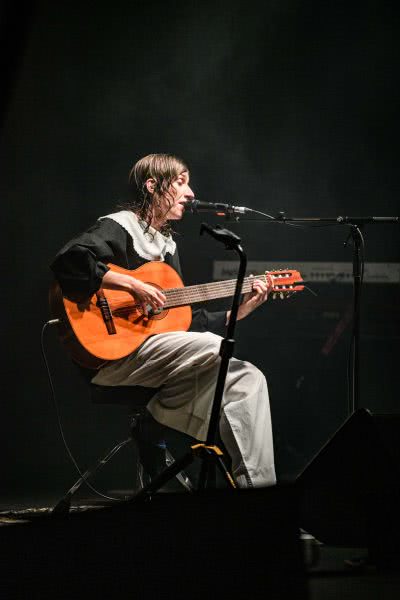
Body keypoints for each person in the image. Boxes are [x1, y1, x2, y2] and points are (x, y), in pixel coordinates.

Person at [50, 153, 276, 488]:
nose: (190, 192)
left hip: (155, 356)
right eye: (181, 181)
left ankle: (258, 495)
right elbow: (69, 261)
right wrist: (133, 284)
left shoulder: (167, 247)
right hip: (112, 356)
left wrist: (238, 312)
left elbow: (182, 322)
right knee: (216, 348)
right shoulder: (119, 225)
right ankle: (155, 423)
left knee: (247, 378)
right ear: (153, 186)